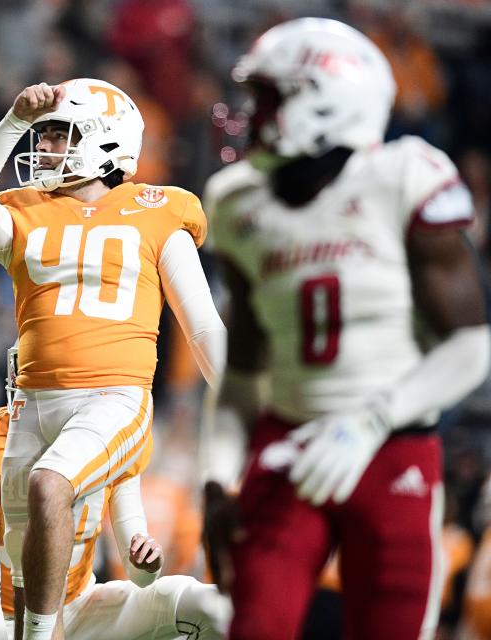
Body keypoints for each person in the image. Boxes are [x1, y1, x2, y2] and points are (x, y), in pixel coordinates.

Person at [201, 18, 491, 640]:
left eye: (271, 98)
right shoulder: (237, 202)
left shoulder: (402, 176)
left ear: (327, 99)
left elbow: (474, 344)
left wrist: (372, 419)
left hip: (393, 450)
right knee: (253, 627)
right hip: (288, 445)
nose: (252, 114)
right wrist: (216, 476)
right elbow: (244, 371)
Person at [0, 79, 226, 640]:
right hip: (34, 404)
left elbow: (201, 326)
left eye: (56, 136)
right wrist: (11, 122)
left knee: (52, 484)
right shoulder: (25, 213)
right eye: (41, 137)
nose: (41, 148)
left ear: (104, 143)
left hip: (114, 394)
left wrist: (256, 414)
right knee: (24, 563)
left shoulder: (157, 211)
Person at [0, 402, 230, 640]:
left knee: (215, 608)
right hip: (5, 616)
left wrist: (146, 561)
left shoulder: (115, 433)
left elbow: (141, 577)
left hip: (82, 605)